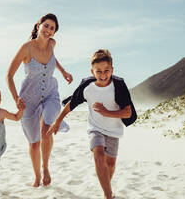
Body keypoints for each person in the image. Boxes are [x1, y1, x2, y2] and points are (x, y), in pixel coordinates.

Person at [47, 49, 137, 199]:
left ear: (112, 70)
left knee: (110, 166)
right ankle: (108, 196)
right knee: (98, 155)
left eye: (106, 71)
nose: (103, 75)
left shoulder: (119, 85)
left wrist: (106, 112)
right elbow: (71, 104)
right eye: (99, 71)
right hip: (95, 127)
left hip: (114, 130)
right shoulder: (87, 86)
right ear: (92, 71)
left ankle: (108, 190)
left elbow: (128, 112)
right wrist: (58, 121)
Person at [6, 13, 73, 187]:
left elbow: (53, 58)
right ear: (38, 26)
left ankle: (46, 167)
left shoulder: (52, 44)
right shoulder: (26, 48)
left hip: (51, 93)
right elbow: (9, 75)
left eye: (52, 28)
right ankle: (37, 176)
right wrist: (16, 98)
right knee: (34, 142)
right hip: (29, 98)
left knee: (46, 128)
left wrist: (63, 71)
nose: (48, 30)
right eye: (46, 26)